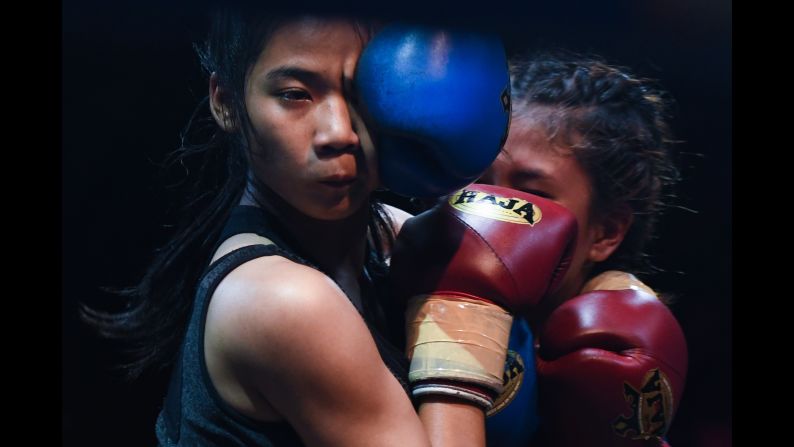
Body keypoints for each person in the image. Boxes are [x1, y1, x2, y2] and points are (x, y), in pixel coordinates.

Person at [80, 7, 548, 447]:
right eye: (295, 95)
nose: (338, 131)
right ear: (225, 102)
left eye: (363, 95)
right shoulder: (282, 301)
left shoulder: (381, 235)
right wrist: (464, 325)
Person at [479, 52, 689, 446]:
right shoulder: (387, 294)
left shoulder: (611, 356)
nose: (490, 209)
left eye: (532, 194)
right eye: (476, 180)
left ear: (605, 232)